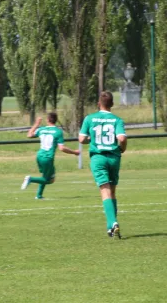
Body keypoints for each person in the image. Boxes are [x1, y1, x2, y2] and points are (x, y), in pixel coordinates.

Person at [78, 91, 127, 239]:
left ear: (98, 103)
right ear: (112, 104)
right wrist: (122, 148)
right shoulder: (117, 120)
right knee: (112, 192)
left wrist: (91, 140)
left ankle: (113, 223)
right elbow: (122, 138)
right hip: (114, 157)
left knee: (104, 191)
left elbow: (81, 139)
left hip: (98, 157)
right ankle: (110, 228)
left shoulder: (89, 118)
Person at [21, 112, 80, 199]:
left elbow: (29, 135)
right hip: (48, 158)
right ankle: (30, 179)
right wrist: (75, 152)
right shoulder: (58, 132)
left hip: (39, 156)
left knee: (45, 175)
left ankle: (39, 195)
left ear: (47, 120)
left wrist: (36, 124)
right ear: (56, 120)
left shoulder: (42, 129)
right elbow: (62, 148)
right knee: (50, 180)